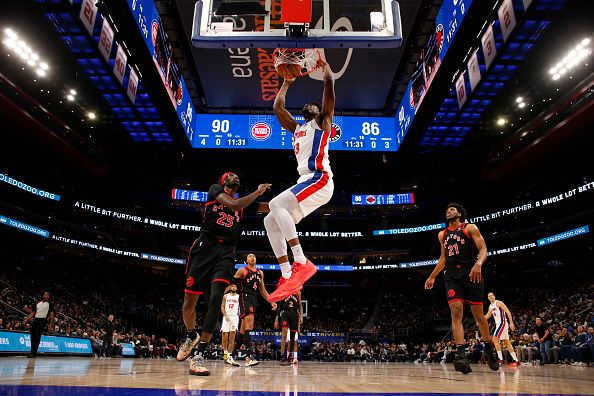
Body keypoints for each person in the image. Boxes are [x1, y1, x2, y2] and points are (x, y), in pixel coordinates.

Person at [177, 172, 271, 376]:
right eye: (230, 176)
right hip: (205, 247)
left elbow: (267, 207)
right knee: (188, 303)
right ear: (223, 182)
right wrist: (258, 190)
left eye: (237, 176)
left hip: (227, 252)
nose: (235, 177)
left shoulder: (244, 201)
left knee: (216, 298)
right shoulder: (215, 190)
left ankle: (199, 355)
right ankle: (191, 335)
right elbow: (234, 205)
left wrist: (291, 202)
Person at [266, 59, 335, 302]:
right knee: (269, 220)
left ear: (318, 112)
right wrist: (287, 83)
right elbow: (277, 107)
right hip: (306, 180)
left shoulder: (322, 122)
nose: (309, 105)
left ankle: (301, 261)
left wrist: (326, 71)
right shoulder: (297, 129)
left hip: (320, 179)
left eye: (313, 105)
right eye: (307, 106)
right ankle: (287, 274)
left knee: (275, 204)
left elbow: (329, 87)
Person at [424, 203, 499, 374]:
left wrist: (479, 263)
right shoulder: (442, 234)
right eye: (446, 210)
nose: (448, 211)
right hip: (451, 275)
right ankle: (462, 355)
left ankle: (489, 349)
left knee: (479, 316)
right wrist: (432, 276)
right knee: (456, 312)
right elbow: (443, 258)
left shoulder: (469, 228)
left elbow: (483, 249)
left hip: (470, 272)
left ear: (459, 213)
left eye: (451, 209)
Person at [227, 254, 277, 367]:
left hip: (254, 298)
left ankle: (231, 356)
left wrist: (271, 301)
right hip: (245, 296)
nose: (252, 257)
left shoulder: (260, 273)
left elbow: (263, 290)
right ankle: (249, 357)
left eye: (254, 256)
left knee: (243, 330)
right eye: (249, 256)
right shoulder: (242, 270)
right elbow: (232, 282)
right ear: (246, 260)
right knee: (250, 324)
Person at [485, 292, 519, 366]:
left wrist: (511, 322)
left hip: (502, 323)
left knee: (494, 339)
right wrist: (480, 319)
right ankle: (515, 360)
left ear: (494, 296)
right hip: (498, 325)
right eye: (489, 296)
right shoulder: (490, 306)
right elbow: (488, 315)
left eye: (491, 295)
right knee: (506, 342)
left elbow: (508, 311)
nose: (490, 297)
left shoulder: (499, 303)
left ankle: (500, 359)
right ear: (488, 298)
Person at [23, 291, 54, 358]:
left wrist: (50, 325)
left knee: (37, 337)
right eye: (44, 294)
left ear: (48, 297)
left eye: (47, 295)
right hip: (35, 320)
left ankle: (34, 353)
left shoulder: (50, 304)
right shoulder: (38, 304)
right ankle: (31, 352)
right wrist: (26, 320)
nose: (45, 296)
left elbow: (51, 315)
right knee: (32, 337)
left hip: (42, 321)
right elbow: (33, 313)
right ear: (43, 295)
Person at [274, 291, 302, 365]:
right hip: (285, 313)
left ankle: (290, 355)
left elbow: (300, 305)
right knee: (284, 335)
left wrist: (301, 316)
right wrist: (276, 319)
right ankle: (282, 356)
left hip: (294, 314)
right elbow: (279, 307)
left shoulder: (298, 291)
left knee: (292, 337)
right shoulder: (284, 290)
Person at [220, 283, 240, 363]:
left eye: (235, 286)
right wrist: (225, 315)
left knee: (232, 337)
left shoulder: (239, 297)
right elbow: (222, 306)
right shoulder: (225, 296)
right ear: (230, 287)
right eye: (232, 286)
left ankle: (229, 356)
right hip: (226, 316)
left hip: (235, 317)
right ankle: (225, 352)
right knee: (225, 336)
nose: (234, 287)